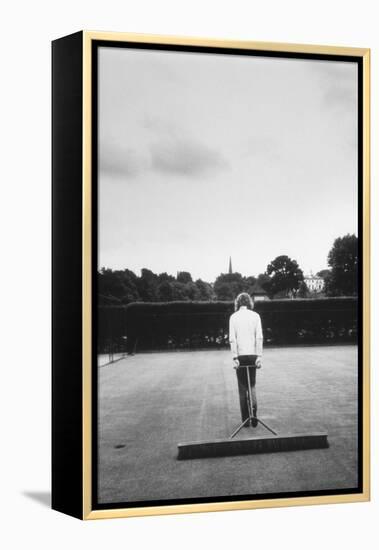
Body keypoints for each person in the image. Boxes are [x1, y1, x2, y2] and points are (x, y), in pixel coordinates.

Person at [229, 292, 263, 427]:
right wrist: (259, 357)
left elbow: (232, 338)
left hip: (241, 356)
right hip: (253, 355)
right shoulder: (256, 316)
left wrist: (234, 357)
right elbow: (259, 337)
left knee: (242, 388)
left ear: (238, 303)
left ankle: (245, 420)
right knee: (252, 385)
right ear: (249, 302)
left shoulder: (233, 317)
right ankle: (254, 416)